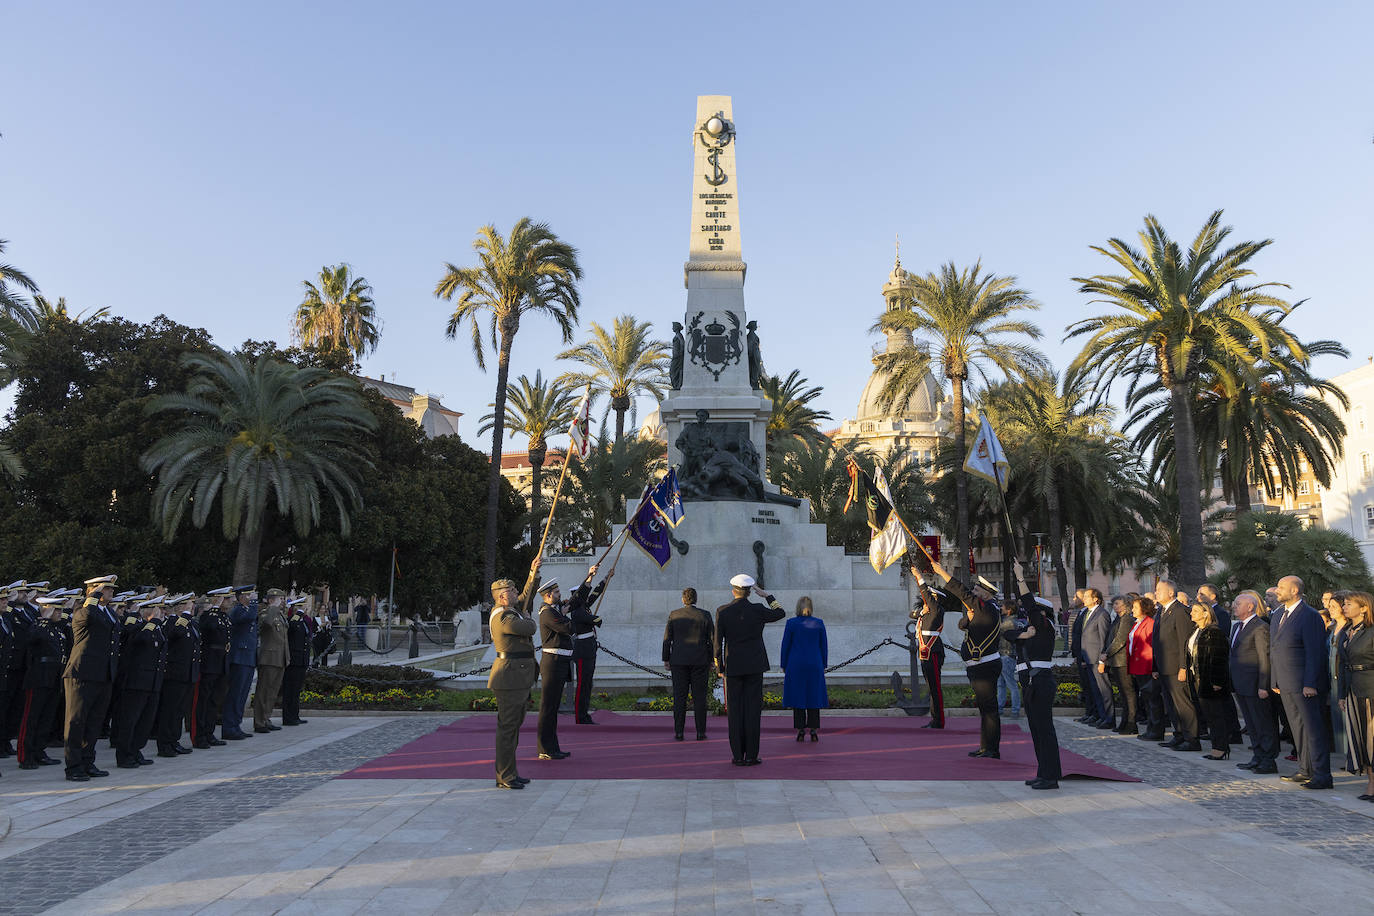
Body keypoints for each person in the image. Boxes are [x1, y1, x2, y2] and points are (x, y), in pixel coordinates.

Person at [714, 573, 785, 766]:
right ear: (749, 593)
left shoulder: (723, 611)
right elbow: (780, 613)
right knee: (753, 712)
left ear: (733, 591)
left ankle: (738, 755)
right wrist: (767, 596)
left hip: (733, 666)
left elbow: (717, 641)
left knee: (735, 713)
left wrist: (719, 665)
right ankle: (752, 755)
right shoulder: (758, 609)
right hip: (754, 666)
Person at [1271, 575, 1332, 789]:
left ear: (1295, 590)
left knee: (1313, 730)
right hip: (1285, 683)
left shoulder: (1309, 615)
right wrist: (1274, 679)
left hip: (1305, 685)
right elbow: (1275, 649)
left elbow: (1315, 653)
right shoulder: (1279, 614)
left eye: (1281, 587)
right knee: (1297, 729)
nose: (1277, 591)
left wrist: (1311, 683)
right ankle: (1305, 770)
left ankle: (1322, 775)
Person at [935, 562, 1002, 759]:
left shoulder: (987, 607)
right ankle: (985, 746)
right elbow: (963, 624)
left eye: (977, 589)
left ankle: (992, 749)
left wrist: (942, 573)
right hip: (978, 666)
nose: (973, 592)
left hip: (985, 666)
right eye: (974, 588)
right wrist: (969, 619)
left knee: (989, 710)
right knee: (984, 710)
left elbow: (962, 593)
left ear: (986, 594)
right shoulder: (983, 610)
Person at [1005, 561, 1061, 789]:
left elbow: (1029, 605)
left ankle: (1051, 777)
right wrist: (1024, 636)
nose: (1026, 614)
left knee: (1044, 730)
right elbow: (1008, 634)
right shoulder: (1029, 630)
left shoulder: (1044, 626)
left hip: (1040, 682)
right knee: (1036, 731)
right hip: (1031, 684)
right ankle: (1043, 772)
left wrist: (1020, 578)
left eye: (1031, 612)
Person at [487, 559, 541, 789]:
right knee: (508, 729)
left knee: (513, 728)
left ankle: (510, 771)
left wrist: (533, 572)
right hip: (509, 678)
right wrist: (528, 617)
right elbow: (529, 627)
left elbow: (526, 597)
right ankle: (504, 775)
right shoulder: (503, 617)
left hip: (516, 678)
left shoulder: (510, 610)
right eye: (512, 590)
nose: (517, 593)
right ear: (502, 596)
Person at [63, 576, 121, 782]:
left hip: (103, 674)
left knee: (94, 722)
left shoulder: (108, 613)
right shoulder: (82, 610)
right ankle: (73, 766)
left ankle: (88, 761)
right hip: (82, 673)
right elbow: (87, 616)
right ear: (93, 591)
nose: (111, 592)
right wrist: (93, 596)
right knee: (76, 721)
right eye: (107, 589)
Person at [15, 595, 68, 769]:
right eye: (56, 610)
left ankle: (39, 750)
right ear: (46, 610)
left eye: (60, 609)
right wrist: (43, 618)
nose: (59, 613)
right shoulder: (38, 626)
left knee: (46, 718)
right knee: (31, 718)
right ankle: (25, 755)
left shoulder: (57, 629)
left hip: (53, 677)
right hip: (39, 677)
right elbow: (30, 639)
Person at [114, 597, 167, 768]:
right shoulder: (136, 627)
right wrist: (153, 622)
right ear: (147, 611)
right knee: (130, 719)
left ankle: (136, 749)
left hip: (152, 681)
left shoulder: (156, 628)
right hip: (137, 682)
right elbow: (139, 639)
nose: (162, 613)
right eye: (158, 610)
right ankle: (124, 754)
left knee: (145, 720)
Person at [1230, 590, 1278, 773]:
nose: (1234, 606)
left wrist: (1263, 685)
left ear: (1250, 607)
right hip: (1241, 684)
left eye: (1238, 604)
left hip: (1255, 685)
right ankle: (1257, 756)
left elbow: (1264, 658)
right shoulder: (1237, 627)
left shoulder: (1259, 627)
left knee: (1263, 723)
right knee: (1251, 724)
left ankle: (1268, 760)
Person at [1152, 580, 1201, 751]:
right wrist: (1155, 667)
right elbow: (1157, 642)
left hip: (1176, 667)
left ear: (1171, 593)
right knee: (1171, 704)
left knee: (1183, 704)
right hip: (1164, 666)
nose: (1156, 593)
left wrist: (1183, 667)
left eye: (1159, 590)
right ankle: (1179, 734)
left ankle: (1192, 738)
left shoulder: (1180, 611)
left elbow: (1183, 642)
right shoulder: (1161, 611)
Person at [662, 587, 714, 741]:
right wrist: (712, 659)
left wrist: (666, 658)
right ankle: (700, 732)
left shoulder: (674, 615)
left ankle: (679, 732)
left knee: (679, 697)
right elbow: (711, 639)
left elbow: (667, 639)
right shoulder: (705, 615)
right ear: (696, 599)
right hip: (700, 660)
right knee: (700, 698)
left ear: (683, 599)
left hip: (678, 661)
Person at [1337, 591, 1374, 801]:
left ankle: (1372, 784)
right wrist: (1342, 694)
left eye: (1349, 604)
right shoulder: (1346, 631)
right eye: (1344, 604)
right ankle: (1370, 781)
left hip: (1371, 689)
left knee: (1372, 740)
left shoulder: (1371, 631)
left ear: (1364, 607)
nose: (1344, 607)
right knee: (1360, 739)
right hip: (1352, 690)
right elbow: (1343, 666)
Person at [535, 578, 575, 760]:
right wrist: (576, 618)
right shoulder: (547, 613)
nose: (561, 595)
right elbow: (567, 628)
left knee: (553, 708)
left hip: (560, 661)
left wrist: (589, 579)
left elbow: (578, 601)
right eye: (557, 593)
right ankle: (545, 748)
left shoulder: (554, 610)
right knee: (548, 707)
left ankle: (552, 747)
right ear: (548, 595)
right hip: (552, 662)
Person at [1187, 602, 1233, 760]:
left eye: (1195, 611)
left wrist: (1217, 681)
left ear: (1206, 613)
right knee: (1209, 715)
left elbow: (1219, 658)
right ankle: (1217, 746)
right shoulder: (1197, 630)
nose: (1191, 613)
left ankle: (1220, 747)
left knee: (1216, 715)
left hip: (1211, 680)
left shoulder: (1214, 632)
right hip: (1198, 678)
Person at [156, 593, 199, 758]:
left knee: (179, 710)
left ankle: (174, 740)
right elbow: (174, 635)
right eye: (188, 606)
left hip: (187, 673)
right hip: (174, 674)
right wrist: (185, 615)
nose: (192, 608)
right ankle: (165, 743)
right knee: (170, 710)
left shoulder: (188, 623)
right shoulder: (173, 622)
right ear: (180, 607)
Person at [569, 565, 612, 725]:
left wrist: (606, 578)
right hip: (582, 650)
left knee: (588, 683)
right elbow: (595, 620)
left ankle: (584, 714)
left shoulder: (584, 607)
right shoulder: (577, 611)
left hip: (589, 648)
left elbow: (595, 593)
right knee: (582, 684)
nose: (586, 598)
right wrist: (597, 618)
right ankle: (580, 716)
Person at [781, 596, 828, 742]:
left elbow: (785, 645)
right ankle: (814, 729)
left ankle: (800, 729)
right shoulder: (818, 623)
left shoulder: (791, 623)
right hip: (814, 663)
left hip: (795, 664)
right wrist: (824, 664)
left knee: (798, 696)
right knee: (813, 696)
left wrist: (784, 664)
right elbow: (823, 646)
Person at [911, 568, 947, 729]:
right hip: (925, 652)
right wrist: (920, 611)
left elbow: (925, 593)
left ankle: (938, 720)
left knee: (935, 688)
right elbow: (911, 614)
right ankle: (935, 719)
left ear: (935, 598)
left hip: (933, 651)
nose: (926, 600)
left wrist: (919, 577)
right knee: (931, 687)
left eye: (930, 598)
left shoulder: (937, 609)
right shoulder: (928, 611)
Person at [221, 586, 258, 741]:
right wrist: (255, 602)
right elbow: (248, 617)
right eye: (249, 594)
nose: (251, 596)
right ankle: (229, 727)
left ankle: (236, 725)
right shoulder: (238, 611)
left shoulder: (247, 609)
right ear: (241, 596)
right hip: (239, 657)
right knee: (235, 694)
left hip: (248, 657)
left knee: (242, 694)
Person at [193, 594, 230, 748]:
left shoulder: (222, 617)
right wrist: (213, 609)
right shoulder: (206, 617)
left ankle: (209, 732)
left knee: (214, 701)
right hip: (209, 662)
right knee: (204, 700)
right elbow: (210, 627)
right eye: (223, 599)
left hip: (221, 661)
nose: (227, 602)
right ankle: (199, 735)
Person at [1128, 595, 1165, 740]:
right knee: (1147, 699)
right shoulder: (1138, 622)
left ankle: (1156, 730)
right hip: (1138, 666)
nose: (1133, 609)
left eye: (1136, 607)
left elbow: (1153, 646)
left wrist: (1154, 667)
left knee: (1153, 700)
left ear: (1144, 608)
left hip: (1147, 666)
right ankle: (1151, 728)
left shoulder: (1149, 623)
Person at [253, 588, 288, 733]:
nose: (283, 602)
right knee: (263, 691)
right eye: (280, 599)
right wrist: (272, 607)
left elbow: (284, 639)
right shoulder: (266, 613)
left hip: (280, 657)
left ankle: (266, 718)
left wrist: (287, 656)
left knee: (273, 691)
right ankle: (259, 722)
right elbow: (266, 624)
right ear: (272, 599)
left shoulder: (280, 615)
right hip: (268, 658)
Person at [1078, 588, 1113, 728]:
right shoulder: (1088, 613)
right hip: (1089, 658)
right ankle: (1101, 716)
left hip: (1097, 659)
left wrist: (1101, 660)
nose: (1084, 599)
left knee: (1103, 689)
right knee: (1095, 690)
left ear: (1095, 599)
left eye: (1087, 596)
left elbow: (1104, 639)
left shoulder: (1102, 614)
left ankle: (1109, 718)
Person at [1101, 595, 1135, 734]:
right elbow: (1110, 638)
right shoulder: (1118, 618)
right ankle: (1124, 722)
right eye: (1114, 603)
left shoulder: (1126, 619)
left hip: (1123, 661)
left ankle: (1131, 723)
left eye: (1117, 603)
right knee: (1123, 694)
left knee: (1129, 694)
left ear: (1126, 605)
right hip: (1116, 661)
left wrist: (1106, 654)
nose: (1115, 606)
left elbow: (1120, 640)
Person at [282, 597, 312, 726]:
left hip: (301, 660)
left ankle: (295, 714)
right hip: (293, 661)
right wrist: (298, 613)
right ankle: (288, 717)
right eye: (303, 607)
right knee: (290, 689)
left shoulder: (303, 621)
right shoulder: (293, 620)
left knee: (296, 690)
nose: (306, 609)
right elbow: (291, 628)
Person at [996, 599, 1022, 720]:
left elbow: (996, 631)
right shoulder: (1009, 620)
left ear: (1009, 610)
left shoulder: (1009, 623)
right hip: (1004, 655)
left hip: (1006, 655)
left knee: (1010, 684)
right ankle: (1000, 708)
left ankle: (1015, 710)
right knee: (1001, 684)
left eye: (1003, 607)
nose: (1001, 608)